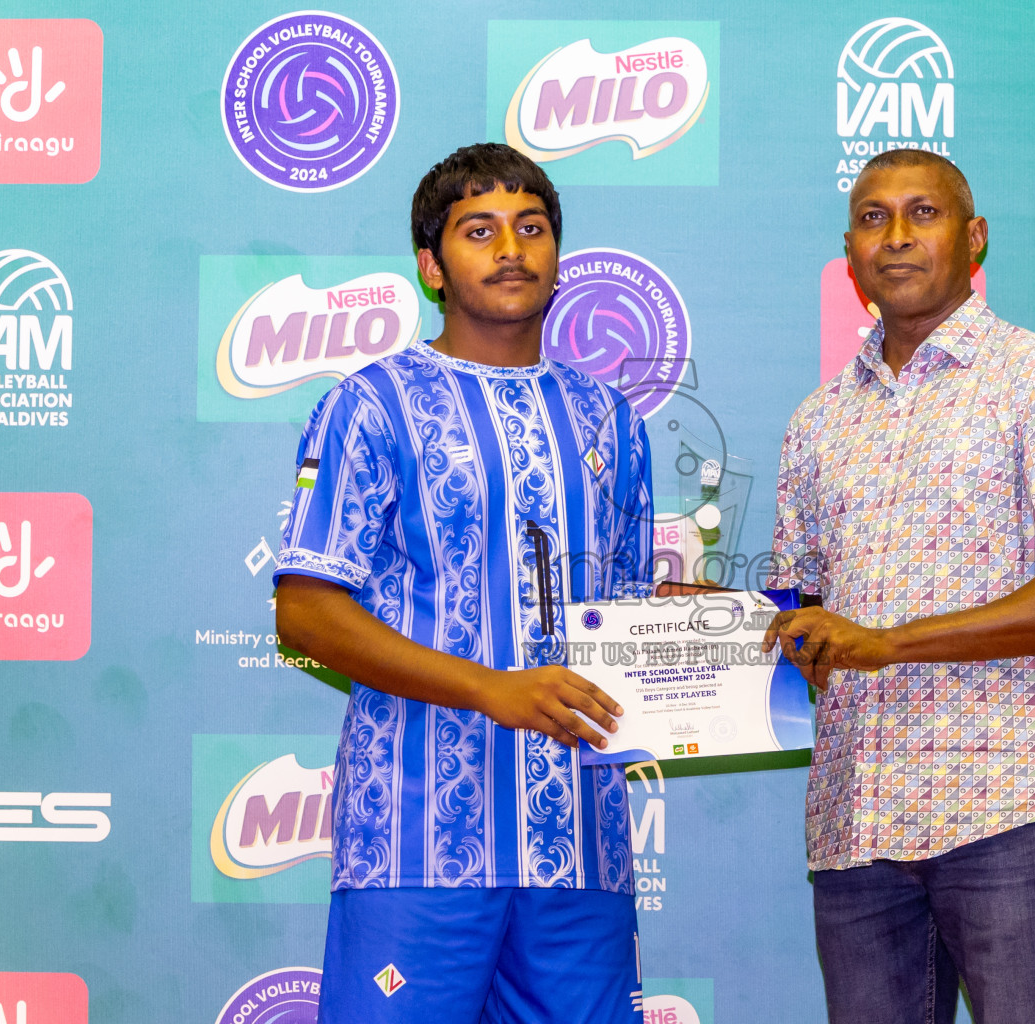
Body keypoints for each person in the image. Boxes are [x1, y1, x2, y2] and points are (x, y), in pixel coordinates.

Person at [274, 142, 652, 1024]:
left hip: (580, 844)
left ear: (558, 254)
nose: (511, 249)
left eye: (532, 228)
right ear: (431, 265)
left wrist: (731, 637)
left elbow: (624, 611)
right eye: (479, 231)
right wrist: (493, 690)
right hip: (417, 843)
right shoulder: (372, 403)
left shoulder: (608, 416)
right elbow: (305, 610)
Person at [762, 149, 1035, 1024]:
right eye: (873, 218)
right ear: (849, 252)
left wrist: (887, 642)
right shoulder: (818, 420)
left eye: (922, 214)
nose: (896, 237)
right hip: (858, 829)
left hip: (1005, 813)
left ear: (975, 238)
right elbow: (799, 620)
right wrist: (691, 632)